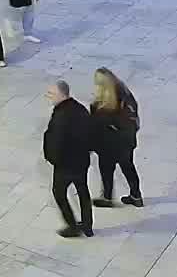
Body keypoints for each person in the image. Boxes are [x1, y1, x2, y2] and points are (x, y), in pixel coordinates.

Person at [43, 79, 96, 238]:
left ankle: (72, 226)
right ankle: (87, 226)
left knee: (59, 193)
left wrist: (52, 159)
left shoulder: (61, 116)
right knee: (83, 191)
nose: (48, 96)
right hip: (81, 161)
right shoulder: (80, 109)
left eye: (52, 93)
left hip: (65, 165)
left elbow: (56, 142)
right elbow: (91, 133)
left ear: (62, 94)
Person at [87, 67, 143, 208]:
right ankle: (136, 196)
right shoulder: (125, 95)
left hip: (109, 144)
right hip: (126, 142)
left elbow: (96, 126)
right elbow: (133, 121)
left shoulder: (104, 107)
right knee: (128, 167)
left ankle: (107, 197)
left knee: (106, 169)